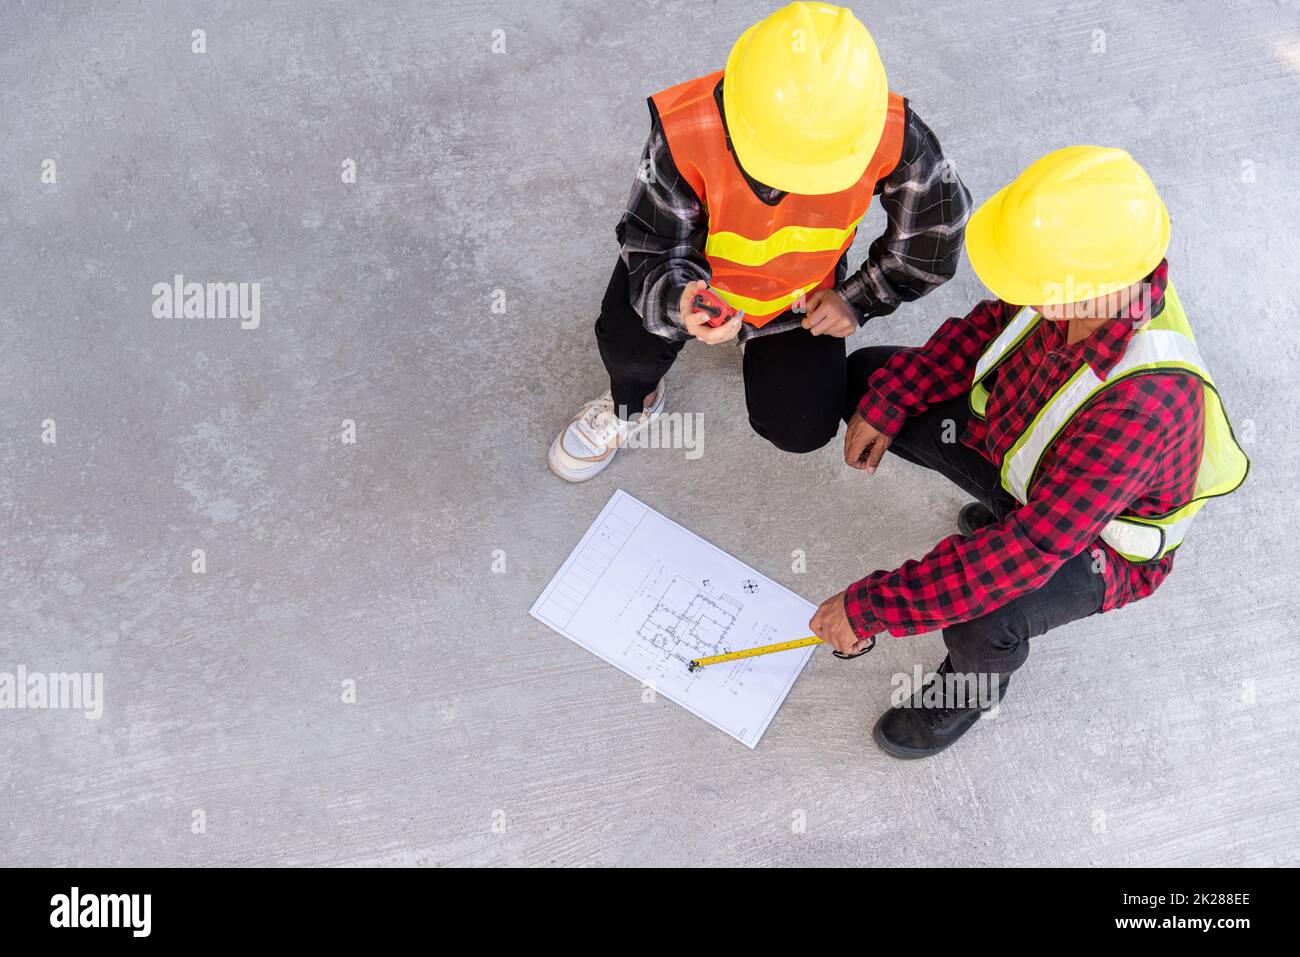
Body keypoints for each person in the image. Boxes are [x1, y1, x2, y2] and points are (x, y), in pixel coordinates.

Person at [808, 146, 1249, 759]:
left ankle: (968, 692)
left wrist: (874, 607)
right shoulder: (1081, 285)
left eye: (1035, 288)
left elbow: (1027, 551)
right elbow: (987, 329)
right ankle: (997, 503)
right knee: (871, 384)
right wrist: (894, 398)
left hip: (1097, 543)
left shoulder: (1142, 410)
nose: (1025, 297)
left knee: (984, 614)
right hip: (1036, 476)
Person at [548, 2, 971, 481]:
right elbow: (654, 242)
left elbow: (932, 242)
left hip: (800, 302)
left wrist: (857, 299)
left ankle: (758, 348)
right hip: (695, 281)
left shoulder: (891, 133)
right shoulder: (687, 128)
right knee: (627, 346)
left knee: (802, 427)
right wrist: (678, 300)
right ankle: (636, 402)